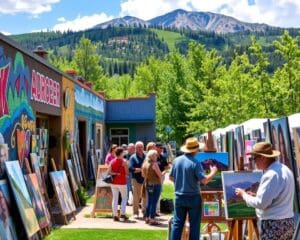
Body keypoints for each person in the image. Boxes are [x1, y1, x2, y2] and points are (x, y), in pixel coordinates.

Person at [235, 142, 295, 240]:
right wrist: (255, 195)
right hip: (288, 222)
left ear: (263, 157)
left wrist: (244, 195)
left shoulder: (270, 174)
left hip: (274, 224)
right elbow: (277, 196)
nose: (254, 162)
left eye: (255, 158)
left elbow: (261, 203)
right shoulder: (285, 169)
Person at [169, 137, 218, 240]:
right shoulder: (195, 163)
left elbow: (170, 177)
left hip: (179, 196)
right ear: (196, 150)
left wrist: (181, 183)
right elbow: (204, 180)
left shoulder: (176, 161)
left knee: (177, 225)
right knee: (194, 226)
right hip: (193, 197)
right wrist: (213, 172)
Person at [142, 149, 165, 225]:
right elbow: (160, 175)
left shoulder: (145, 163)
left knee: (149, 201)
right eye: (155, 155)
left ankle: (147, 218)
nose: (157, 156)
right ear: (152, 156)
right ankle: (152, 219)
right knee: (154, 202)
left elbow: (143, 175)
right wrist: (165, 171)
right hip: (155, 184)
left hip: (148, 183)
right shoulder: (154, 164)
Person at [108, 147, 129, 222]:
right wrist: (125, 166)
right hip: (122, 182)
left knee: (115, 198)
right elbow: (127, 172)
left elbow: (109, 172)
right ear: (121, 153)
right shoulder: (124, 161)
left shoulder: (112, 161)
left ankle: (115, 215)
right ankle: (122, 213)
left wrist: (115, 173)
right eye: (123, 152)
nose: (124, 153)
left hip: (113, 182)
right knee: (124, 198)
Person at [129, 141, 146, 219]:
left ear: (143, 148)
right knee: (136, 197)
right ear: (135, 148)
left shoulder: (146, 156)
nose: (140, 149)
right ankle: (135, 212)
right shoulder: (133, 157)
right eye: (138, 147)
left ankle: (144, 211)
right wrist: (142, 169)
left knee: (145, 197)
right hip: (136, 179)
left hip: (145, 179)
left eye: (141, 147)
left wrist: (138, 169)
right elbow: (131, 169)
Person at [155, 142, 170, 215]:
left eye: (162, 148)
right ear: (156, 147)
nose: (161, 149)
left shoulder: (162, 157)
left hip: (161, 177)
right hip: (153, 177)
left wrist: (163, 173)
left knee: (159, 193)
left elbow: (167, 167)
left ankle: (157, 210)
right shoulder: (152, 156)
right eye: (160, 148)